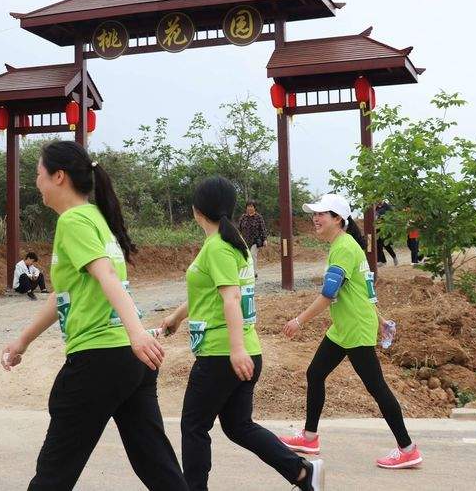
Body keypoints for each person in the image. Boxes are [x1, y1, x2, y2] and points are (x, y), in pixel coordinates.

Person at [1, 140, 188, 491]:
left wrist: (137, 334)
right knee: (155, 463)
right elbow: (65, 295)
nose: (36, 182)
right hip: (129, 362)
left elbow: (107, 277)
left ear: (59, 177)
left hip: (100, 357)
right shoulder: (95, 220)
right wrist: (23, 340)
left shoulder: (74, 221)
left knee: (54, 471)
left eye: (38, 174)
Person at [161, 176, 324, 491]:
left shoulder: (218, 248)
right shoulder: (231, 244)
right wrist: (177, 317)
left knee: (193, 426)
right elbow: (210, 293)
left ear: (197, 210)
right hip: (243, 351)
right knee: (237, 426)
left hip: (223, 354)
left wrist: (236, 350)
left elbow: (231, 298)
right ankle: (302, 473)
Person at [279, 194, 422, 470]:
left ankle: (408, 449)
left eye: (322, 214)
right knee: (316, 373)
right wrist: (378, 317)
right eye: (315, 214)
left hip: (354, 327)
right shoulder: (344, 245)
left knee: (376, 387)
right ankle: (309, 437)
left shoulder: (344, 248)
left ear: (338, 219)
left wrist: (298, 321)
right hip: (345, 326)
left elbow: (328, 295)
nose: (315, 218)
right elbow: (365, 289)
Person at [237, 200, 267, 279]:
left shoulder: (258, 217)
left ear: (254, 207)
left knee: (253, 255)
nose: (250, 208)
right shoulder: (243, 217)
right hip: (244, 240)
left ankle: (254, 273)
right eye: (248, 206)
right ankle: (246, 273)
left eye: (251, 206)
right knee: (245, 257)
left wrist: (264, 239)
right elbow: (239, 228)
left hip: (255, 240)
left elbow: (263, 228)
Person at [375, 201, 398, 266]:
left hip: (385, 228)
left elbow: (391, 216)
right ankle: (382, 261)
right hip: (377, 228)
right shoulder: (376, 208)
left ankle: (394, 256)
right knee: (378, 245)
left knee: (386, 245)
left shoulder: (387, 206)